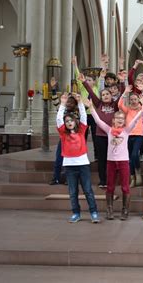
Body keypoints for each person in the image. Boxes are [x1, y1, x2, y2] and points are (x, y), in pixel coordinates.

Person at [88, 94, 143, 220]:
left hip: (123, 162)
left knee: (125, 187)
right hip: (111, 162)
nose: (120, 120)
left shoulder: (126, 130)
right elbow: (98, 121)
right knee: (110, 186)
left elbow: (135, 120)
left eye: (122, 118)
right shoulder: (109, 130)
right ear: (113, 121)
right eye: (118, 118)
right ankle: (109, 210)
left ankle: (125, 210)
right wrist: (91, 108)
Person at [56, 93, 100, 224]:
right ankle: (76, 213)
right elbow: (59, 119)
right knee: (72, 191)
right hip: (69, 165)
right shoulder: (63, 133)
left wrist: (80, 102)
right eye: (67, 121)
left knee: (88, 190)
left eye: (71, 121)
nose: (69, 123)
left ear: (76, 121)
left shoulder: (81, 130)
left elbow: (84, 117)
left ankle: (94, 212)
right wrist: (63, 104)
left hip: (82, 164)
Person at [80, 73, 120, 188]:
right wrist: (84, 82)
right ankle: (103, 180)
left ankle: (112, 179)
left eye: (107, 94)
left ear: (111, 96)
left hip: (112, 136)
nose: (105, 96)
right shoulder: (98, 104)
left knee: (112, 159)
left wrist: (122, 83)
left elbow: (122, 95)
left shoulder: (115, 105)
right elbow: (91, 93)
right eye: (103, 95)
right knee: (102, 159)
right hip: (100, 135)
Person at [118, 85, 143, 187]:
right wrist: (125, 93)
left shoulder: (142, 109)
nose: (133, 101)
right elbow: (120, 104)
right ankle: (132, 177)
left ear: (138, 100)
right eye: (132, 99)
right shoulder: (128, 110)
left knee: (134, 155)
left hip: (139, 135)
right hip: (128, 135)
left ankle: (138, 172)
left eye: (135, 99)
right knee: (129, 158)